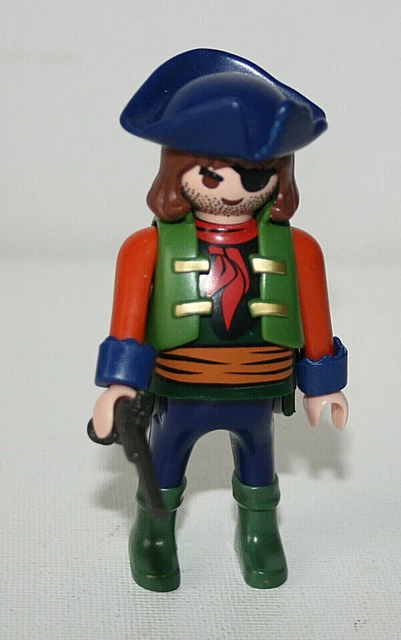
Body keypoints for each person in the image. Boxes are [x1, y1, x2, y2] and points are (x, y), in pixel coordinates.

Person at [91, 49, 349, 592]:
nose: (233, 189)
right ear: (177, 169)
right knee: (164, 465)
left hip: (258, 387)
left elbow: (317, 323)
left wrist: (323, 384)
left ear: (279, 174)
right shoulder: (146, 248)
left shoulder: (298, 250)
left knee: (259, 466)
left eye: (253, 176)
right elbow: (126, 325)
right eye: (212, 174)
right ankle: (154, 533)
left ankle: (259, 533)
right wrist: (119, 385)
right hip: (179, 388)